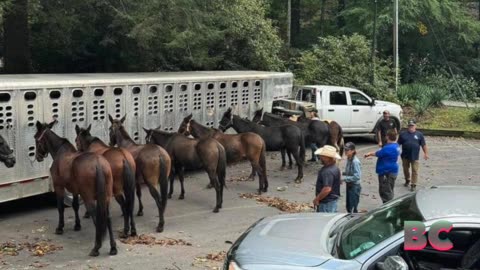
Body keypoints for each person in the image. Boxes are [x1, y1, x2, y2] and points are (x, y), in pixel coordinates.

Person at [364, 129, 400, 204]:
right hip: (392, 170)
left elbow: (379, 153)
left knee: (386, 191)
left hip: (386, 172)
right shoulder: (396, 146)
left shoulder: (388, 148)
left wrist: (370, 153)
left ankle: (387, 206)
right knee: (389, 189)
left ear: (387, 137)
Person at [397, 119, 429, 192]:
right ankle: (407, 179)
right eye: (409, 125)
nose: (411, 127)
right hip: (405, 156)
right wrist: (394, 152)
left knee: (414, 170)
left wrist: (426, 153)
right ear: (408, 126)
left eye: (412, 125)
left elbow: (423, 145)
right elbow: (398, 144)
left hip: (415, 156)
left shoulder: (419, 135)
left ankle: (413, 184)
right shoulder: (403, 134)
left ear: (415, 126)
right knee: (405, 169)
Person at [313, 145, 342, 212]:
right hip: (332, 201)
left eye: (322, 156)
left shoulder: (327, 171)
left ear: (327, 158)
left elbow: (327, 189)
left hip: (326, 203)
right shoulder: (335, 168)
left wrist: (317, 199)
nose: (320, 157)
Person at [342, 142, 362, 213]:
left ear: (353, 151)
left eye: (348, 150)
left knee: (353, 207)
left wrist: (344, 179)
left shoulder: (355, 161)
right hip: (349, 185)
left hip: (354, 186)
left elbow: (357, 176)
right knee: (349, 206)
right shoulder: (349, 159)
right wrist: (342, 173)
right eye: (345, 150)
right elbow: (350, 172)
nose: (346, 152)